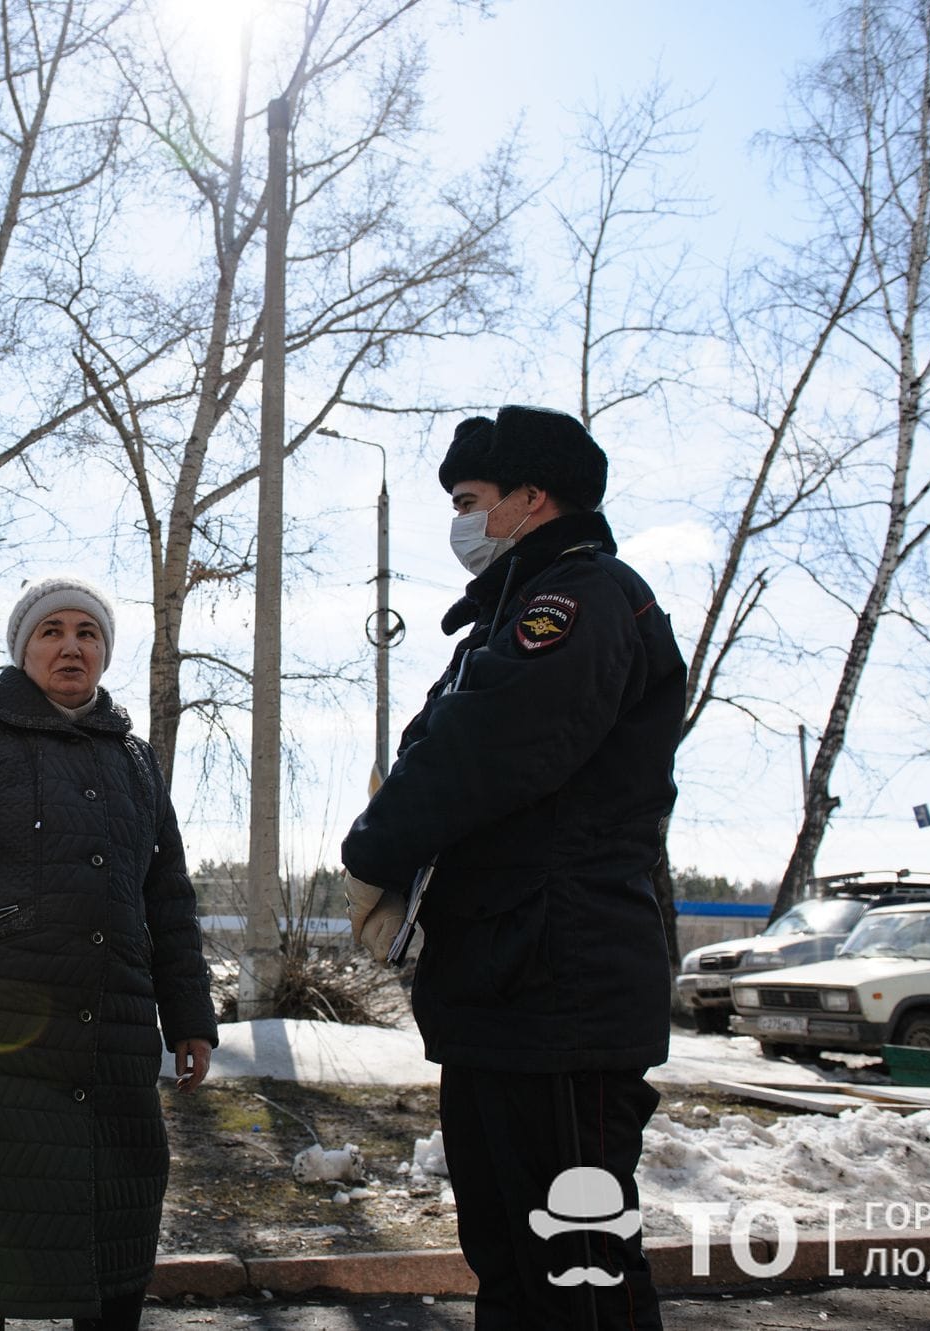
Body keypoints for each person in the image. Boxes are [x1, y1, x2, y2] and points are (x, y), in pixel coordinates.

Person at [341, 406, 682, 1330]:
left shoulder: (575, 600)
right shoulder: (503, 621)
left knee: (575, 1264)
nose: (459, 522)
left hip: (559, 991)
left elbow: (486, 747)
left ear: (533, 499)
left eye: (470, 500)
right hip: (507, 989)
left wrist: (373, 850)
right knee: (511, 1260)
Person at [0, 576, 218, 1331]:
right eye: (51, 630)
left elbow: (170, 899)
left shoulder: (137, 760)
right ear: (24, 649)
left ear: (104, 653)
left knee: (112, 1231)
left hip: (111, 1043)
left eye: (87, 633)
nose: (70, 645)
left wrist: (191, 1015)